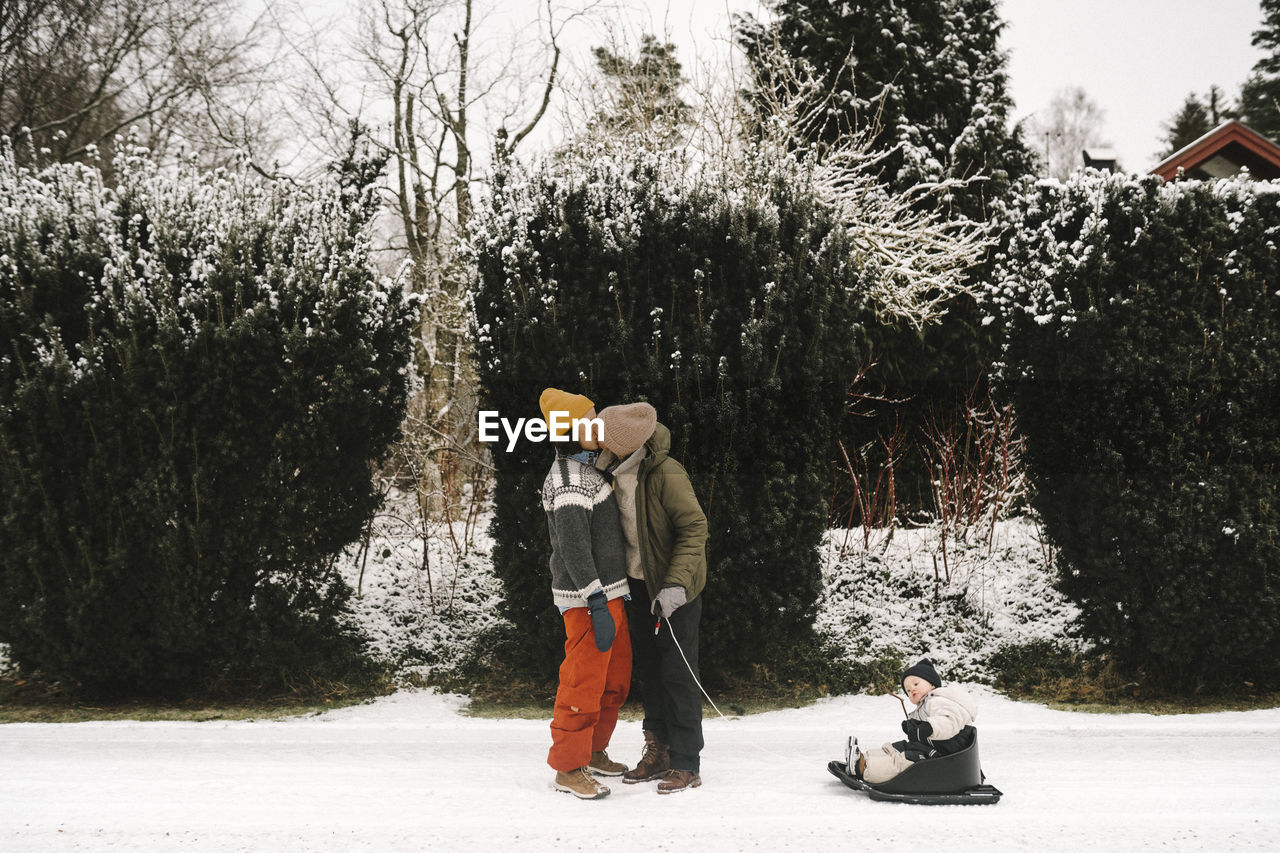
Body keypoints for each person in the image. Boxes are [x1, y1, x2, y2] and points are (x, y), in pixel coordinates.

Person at [595, 402, 709, 794]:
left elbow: (695, 528)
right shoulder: (609, 470)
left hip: (675, 589)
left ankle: (686, 762)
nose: (598, 442)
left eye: (606, 437)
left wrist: (675, 584)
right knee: (650, 672)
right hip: (637, 589)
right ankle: (658, 750)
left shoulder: (666, 473)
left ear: (625, 442)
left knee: (679, 675)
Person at [538, 388, 633, 800]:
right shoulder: (566, 480)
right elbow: (574, 549)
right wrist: (595, 600)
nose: (600, 425)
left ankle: (594, 749)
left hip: (611, 594)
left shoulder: (589, 469)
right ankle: (568, 768)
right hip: (587, 600)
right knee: (583, 683)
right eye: (592, 419)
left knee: (613, 681)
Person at [849, 659, 977, 785]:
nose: (912, 690)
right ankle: (863, 758)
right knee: (899, 747)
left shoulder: (939, 700)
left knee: (906, 760)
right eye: (908, 690)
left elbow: (949, 721)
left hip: (948, 755)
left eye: (916, 684)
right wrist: (912, 726)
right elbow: (923, 722)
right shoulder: (925, 705)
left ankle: (866, 769)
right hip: (934, 747)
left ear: (932, 684)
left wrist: (929, 728)